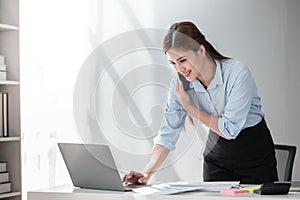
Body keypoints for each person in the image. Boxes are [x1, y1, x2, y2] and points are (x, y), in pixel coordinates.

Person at [122, 21, 278, 185]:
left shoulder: (237, 73)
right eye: (173, 63)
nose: (179, 69)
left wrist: (190, 107)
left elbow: (229, 129)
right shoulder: (181, 85)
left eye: (183, 60)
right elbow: (168, 131)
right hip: (217, 158)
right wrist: (146, 173)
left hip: (253, 154)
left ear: (201, 50)